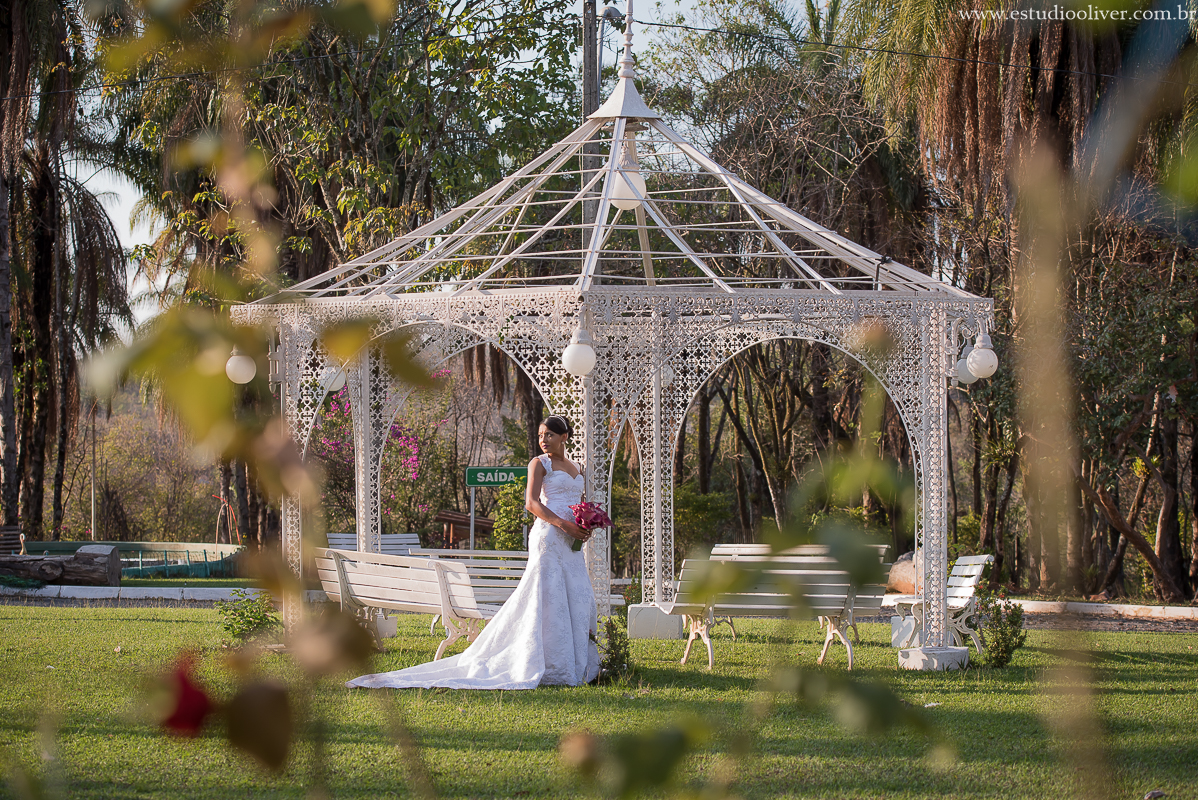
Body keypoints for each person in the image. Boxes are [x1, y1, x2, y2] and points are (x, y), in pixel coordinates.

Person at [346, 415, 600, 689]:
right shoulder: (539, 464)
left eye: (549, 434)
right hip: (550, 537)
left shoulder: (578, 467)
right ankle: (551, 665)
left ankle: (578, 664)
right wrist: (563, 525)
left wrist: (585, 525)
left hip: (571, 540)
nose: (543, 439)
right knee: (549, 597)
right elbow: (531, 503)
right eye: (540, 435)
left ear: (564, 437)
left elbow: (580, 503)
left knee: (576, 593)